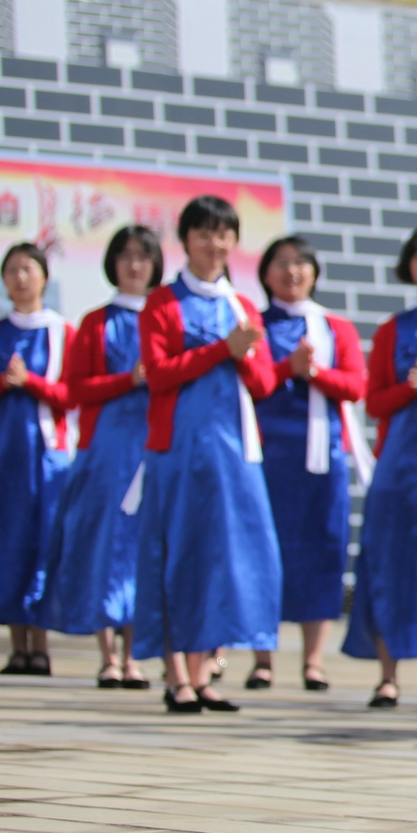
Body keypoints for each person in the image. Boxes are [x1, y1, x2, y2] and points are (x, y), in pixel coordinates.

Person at [131, 194, 282, 714]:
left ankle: (204, 672)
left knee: (223, 557)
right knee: (178, 553)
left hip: (233, 453)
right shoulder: (162, 303)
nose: (214, 244)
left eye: (224, 235)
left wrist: (245, 354)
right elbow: (157, 373)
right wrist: (223, 349)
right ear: (186, 239)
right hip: (178, 449)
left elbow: (264, 383)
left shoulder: (240, 305)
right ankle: (175, 676)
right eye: (204, 234)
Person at [35, 226, 161, 688]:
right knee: (106, 543)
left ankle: (138, 653)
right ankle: (108, 654)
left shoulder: (164, 317)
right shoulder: (96, 322)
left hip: (153, 445)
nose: (134, 265)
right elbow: (74, 389)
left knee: (144, 546)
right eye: (126, 256)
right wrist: (126, 380)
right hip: (107, 447)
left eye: (143, 257)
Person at [344, 225, 417, 711]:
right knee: (389, 562)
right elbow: (373, 401)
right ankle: (388, 675)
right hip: (399, 463)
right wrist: (413, 387)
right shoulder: (394, 328)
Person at [251, 236, 369, 692]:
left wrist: (314, 372)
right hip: (269, 455)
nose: (292, 272)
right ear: (265, 274)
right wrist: (287, 368)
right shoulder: (254, 325)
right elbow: (254, 383)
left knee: (322, 551)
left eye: (301, 264)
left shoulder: (336, 328)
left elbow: (356, 385)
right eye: (281, 264)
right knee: (266, 551)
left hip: (324, 459)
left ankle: (314, 660)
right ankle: (263, 657)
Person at [0, 243, 73, 674]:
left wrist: (32, 382)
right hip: (2, 456)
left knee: (43, 542)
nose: (20, 278)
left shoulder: (62, 332)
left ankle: (41, 644)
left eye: (28, 269)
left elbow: (73, 394)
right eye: (12, 270)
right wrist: (2, 385)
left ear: (44, 277)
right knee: (6, 543)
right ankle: (17, 645)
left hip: (46, 457)